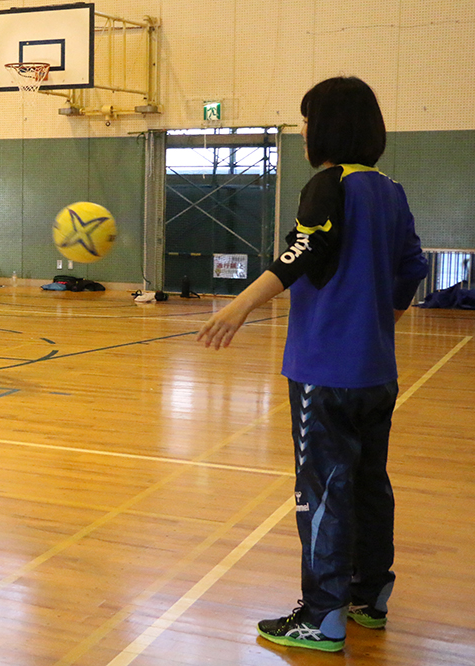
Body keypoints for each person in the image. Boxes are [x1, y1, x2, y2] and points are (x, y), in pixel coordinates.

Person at [197, 77, 428, 652]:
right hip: (376, 372)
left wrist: (239, 306)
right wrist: (377, 324)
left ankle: (322, 615)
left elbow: (302, 251)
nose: (302, 131)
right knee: (369, 484)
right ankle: (369, 595)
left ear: (327, 127)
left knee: (323, 491)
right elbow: (412, 267)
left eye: (306, 120)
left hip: (324, 371)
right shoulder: (390, 190)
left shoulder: (330, 184)